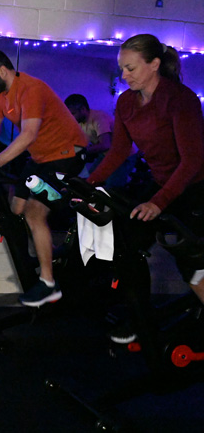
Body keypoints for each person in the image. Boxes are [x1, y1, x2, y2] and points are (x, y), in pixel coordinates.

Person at [86, 34, 204, 340]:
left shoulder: (180, 99)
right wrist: (90, 183)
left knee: (191, 265)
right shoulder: (126, 102)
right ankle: (141, 324)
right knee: (128, 246)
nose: (123, 76)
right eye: (121, 69)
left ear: (153, 65)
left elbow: (192, 162)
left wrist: (158, 202)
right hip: (162, 183)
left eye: (130, 69)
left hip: (195, 187)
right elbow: (119, 151)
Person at [0, 50, 88, 306]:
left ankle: (49, 283)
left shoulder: (31, 89)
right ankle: (41, 257)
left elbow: (28, 134)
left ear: (2, 70)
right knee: (15, 209)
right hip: (40, 158)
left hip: (67, 154)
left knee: (33, 212)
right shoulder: (0, 95)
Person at [64, 93, 134, 186]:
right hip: (107, 156)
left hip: (123, 156)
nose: (71, 117)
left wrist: (80, 151)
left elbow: (105, 145)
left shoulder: (98, 118)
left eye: (73, 113)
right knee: (89, 182)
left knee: (110, 187)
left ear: (83, 109)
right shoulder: (80, 122)